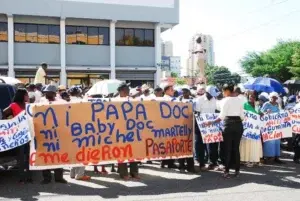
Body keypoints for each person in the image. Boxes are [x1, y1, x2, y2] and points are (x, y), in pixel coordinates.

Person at [206, 84, 244, 178]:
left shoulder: (225, 100)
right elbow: (242, 116)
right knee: (236, 149)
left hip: (228, 125)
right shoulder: (240, 100)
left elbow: (221, 116)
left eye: (223, 91)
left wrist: (211, 122)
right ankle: (237, 171)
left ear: (227, 91)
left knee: (227, 149)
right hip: (238, 125)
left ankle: (226, 171)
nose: (223, 93)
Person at [39, 85, 67, 184]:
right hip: (45, 134)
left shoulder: (62, 103)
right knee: (45, 156)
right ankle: (46, 178)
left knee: (58, 156)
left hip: (58, 133)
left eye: (48, 92)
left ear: (54, 93)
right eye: (45, 92)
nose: (46, 94)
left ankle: (58, 177)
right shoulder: (41, 102)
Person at [3, 88, 32, 184]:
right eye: (26, 95)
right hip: (19, 135)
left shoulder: (28, 105)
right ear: (22, 96)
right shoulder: (14, 105)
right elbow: (4, 113)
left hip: (29, 133)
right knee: (21, 157)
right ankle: (21, 178)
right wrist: (10, 123)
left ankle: (29, 177)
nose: (28, 96)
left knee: (29, 156)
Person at [115, 83, 140, 180]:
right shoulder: (115, 101)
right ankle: (123, 173)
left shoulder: (132, 100)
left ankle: (134, 172)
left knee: (134, 152)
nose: (128, 91)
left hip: (132, 130)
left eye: (128, 90)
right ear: (120, 91)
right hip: (119, 132)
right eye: (126, 90)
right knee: (122, 152)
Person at [68, 86, 91, 181]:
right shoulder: (81, 101)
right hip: (81, 130)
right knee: (82, 152)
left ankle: (72, 173)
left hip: (70, 130)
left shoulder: (67, 102)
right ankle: (80, 174)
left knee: (74, 152)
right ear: (78, 93)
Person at [194, 86, 220, 170]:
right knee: (200, 144)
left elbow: (217, 111)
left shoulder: (215, 100)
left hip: (212, 125)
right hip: (201, 125)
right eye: (211, 95)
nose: (212, 96)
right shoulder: (199, 100)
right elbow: (196, 113)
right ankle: (201, 163)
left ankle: (213, 163)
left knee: (213, 144)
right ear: (207, 93)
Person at [240, 92, 263, 167]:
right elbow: (242, 114)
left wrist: (263, 114)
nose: (252, 98)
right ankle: (245, 160)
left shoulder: (256, 105)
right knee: (246, 143)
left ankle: (254, 160)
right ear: (248, 97)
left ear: (255, 97)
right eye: (250, 97)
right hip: (247, 129)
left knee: (255, 144)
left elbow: (259, 113)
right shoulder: (244, 105)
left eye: (253, 97)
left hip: (255, 129)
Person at [260, 92, 283, 164]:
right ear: (270, 97)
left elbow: (280, 113)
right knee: (269, 142)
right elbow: (261, 113)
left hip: (276, 126)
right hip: (269, 127)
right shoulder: (266, 104)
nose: (274, 99)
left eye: (276, 98)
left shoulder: (277, 105)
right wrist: (266, 113)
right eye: (273, 97)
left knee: (277, 142)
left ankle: (276, 157)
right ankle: (268, 157)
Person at [178, 88, 195, 173]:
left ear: (189, 92)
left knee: (189, 147)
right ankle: (181, 166)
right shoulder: (179, 100)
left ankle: (190, 167)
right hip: (180, 127)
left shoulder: (193, 100)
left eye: (186, 92)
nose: (184, 93)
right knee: (181, 146)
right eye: (183, 92)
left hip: (190, 126)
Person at [160, 84, 177, 169]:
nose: (173, 91)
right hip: (170, 125)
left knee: (165, 144)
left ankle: (163, 162)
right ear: (166, 91)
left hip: (164, 125)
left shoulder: (161, 99)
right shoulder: (171, 100)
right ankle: (170, 163)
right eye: (171, 90)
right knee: (171, 144)